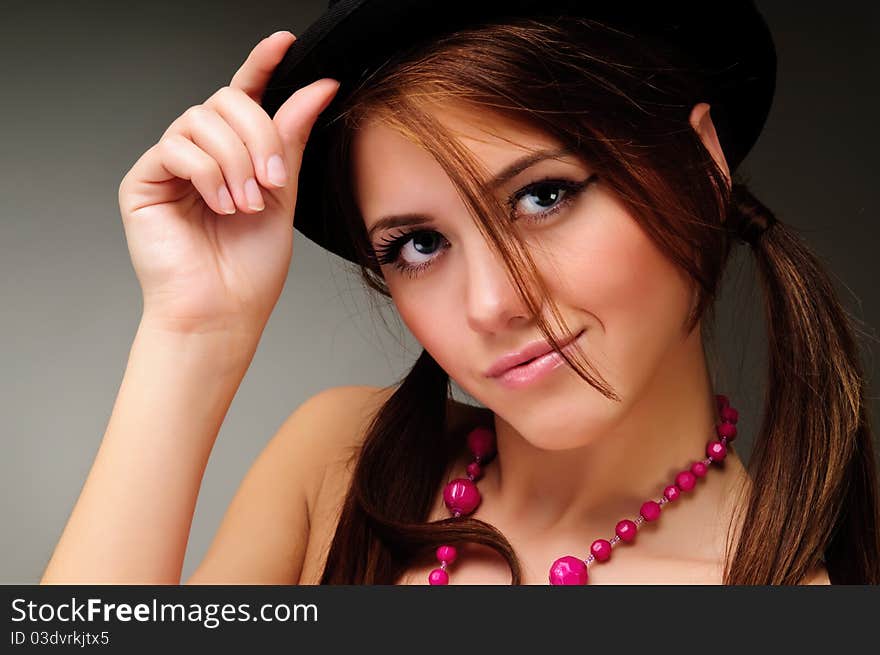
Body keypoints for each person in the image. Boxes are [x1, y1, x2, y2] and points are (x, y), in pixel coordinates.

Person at [40, 2, 879, 585]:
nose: (492, 302)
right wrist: (193, 332)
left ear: (701, 164)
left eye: (543, 195)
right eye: (420, 243)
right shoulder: (336, 467)